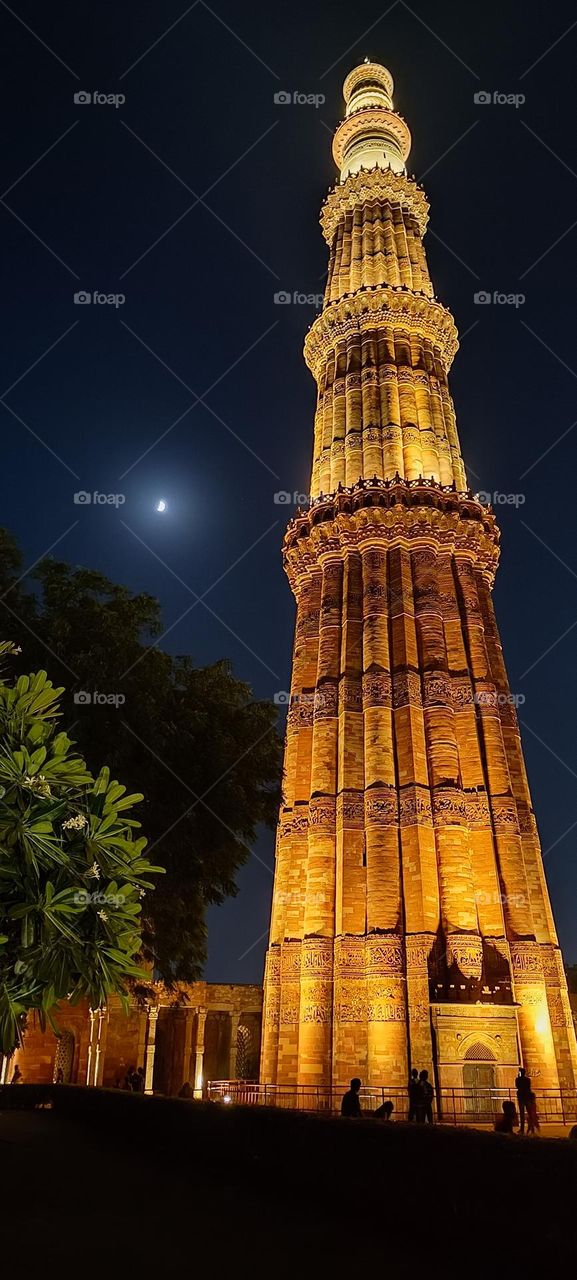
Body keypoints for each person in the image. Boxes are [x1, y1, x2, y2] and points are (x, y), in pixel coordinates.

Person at [515, 1066, 532, 1134]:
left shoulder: (518, 1079)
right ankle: (531, 1127)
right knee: (529, 1113)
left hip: (521, 1097)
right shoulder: (528, 1079)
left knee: (522, 1113)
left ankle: (522, 1129)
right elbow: (529, 1087)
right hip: (527, 1097)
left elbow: (517, 1086)